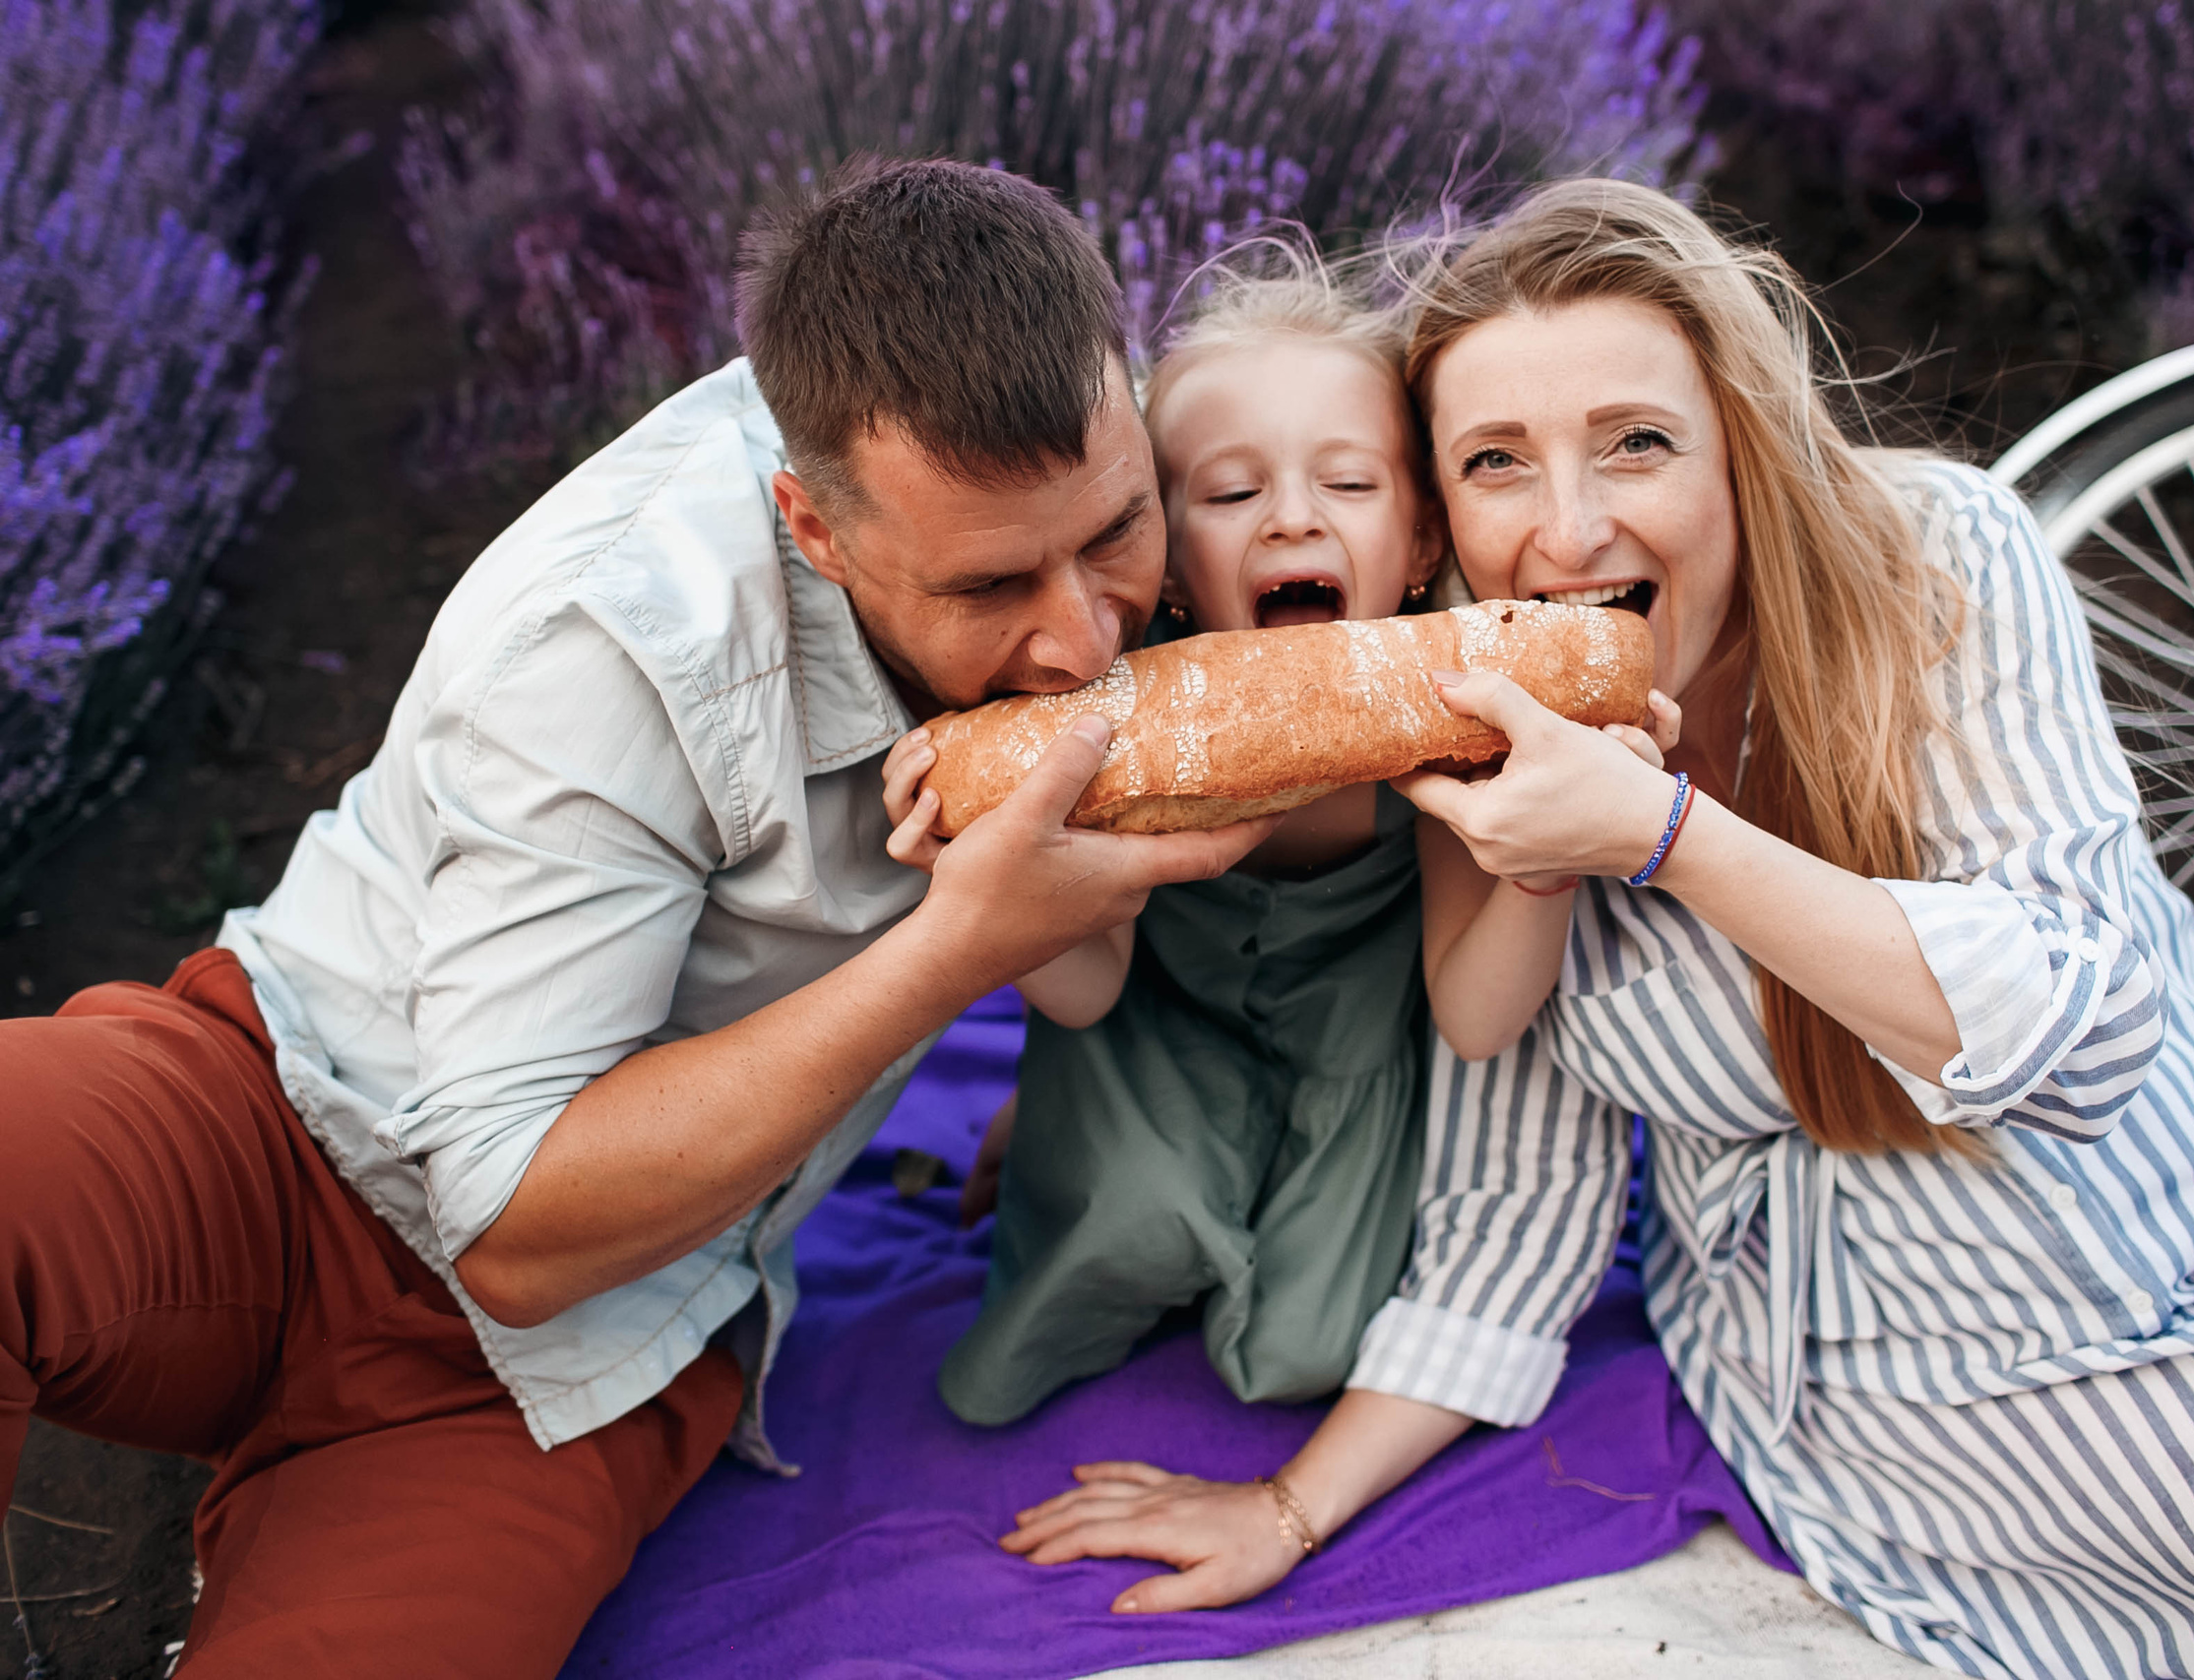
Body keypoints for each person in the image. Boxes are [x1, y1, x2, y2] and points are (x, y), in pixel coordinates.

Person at [995, 179, 2194, 1677]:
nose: (1573, 527)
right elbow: (1513, 1198)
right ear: (1443, 521)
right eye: (1498, 463)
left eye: (1637, 443)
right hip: (1920, 1355)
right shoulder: (1487, 747)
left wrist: (1671, 838)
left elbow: (2096, 1027)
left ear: (1743, 448)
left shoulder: (1941, 560)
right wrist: (1287, 1501)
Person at [0, 158, 1270, 1676]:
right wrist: (953, 951)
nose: (1079, 640)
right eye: (993, 584)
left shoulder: (1136, 492)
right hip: (266, 1108)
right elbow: (510, 1215)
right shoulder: (611, 633)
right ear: (813, 524)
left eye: (1114, 534)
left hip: (592, 1346)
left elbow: (530, 1289)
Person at [883, 264, 1679, 1426]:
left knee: (1307, 1354)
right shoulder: (1105, 731)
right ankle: (1066, 1164)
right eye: (1227, 494)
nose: (1292, 519)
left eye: (1346, 482)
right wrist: (979, 880)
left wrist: (1546, 856)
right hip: (1140, 1055)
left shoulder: (1462, 729)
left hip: (1355, 1081)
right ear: (1157, 565)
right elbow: (1084, 996)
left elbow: (1475, 1016)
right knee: (1050, 1322)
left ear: (1417, 544)